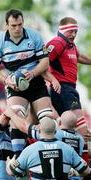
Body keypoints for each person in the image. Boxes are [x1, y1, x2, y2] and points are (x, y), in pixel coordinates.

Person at [0, 8, 60, 156]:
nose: (17, 28)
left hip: (36, 81)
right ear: (7, 25)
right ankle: (18, 156)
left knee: (46, 118)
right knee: (16, 114)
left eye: (20, 24)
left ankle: (46, 153)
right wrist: (6, 80)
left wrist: (32, 73)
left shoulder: (34, 36)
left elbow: (44, 63)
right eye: (13, 25)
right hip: (14, 85)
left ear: (23, 22)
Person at [45, 17, 91, 165]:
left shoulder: (70, 45)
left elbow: (80, 57)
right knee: (83, 131)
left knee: (70, 131)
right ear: (63, 30)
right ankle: (82, 167)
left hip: (70, 89)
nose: (74, 34)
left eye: (76, 31)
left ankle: (71, 164)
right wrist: (53, 79)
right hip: (63, 89)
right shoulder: (57, 43)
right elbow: (43, 62)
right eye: (71, 31)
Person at [6, 117, 91, 180]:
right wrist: (72, 172)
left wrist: (8, 163)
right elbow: (86, 171)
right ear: (55, 131)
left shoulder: (29, 150)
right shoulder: (68, 149)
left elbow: (11, 171)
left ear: (39, 131)